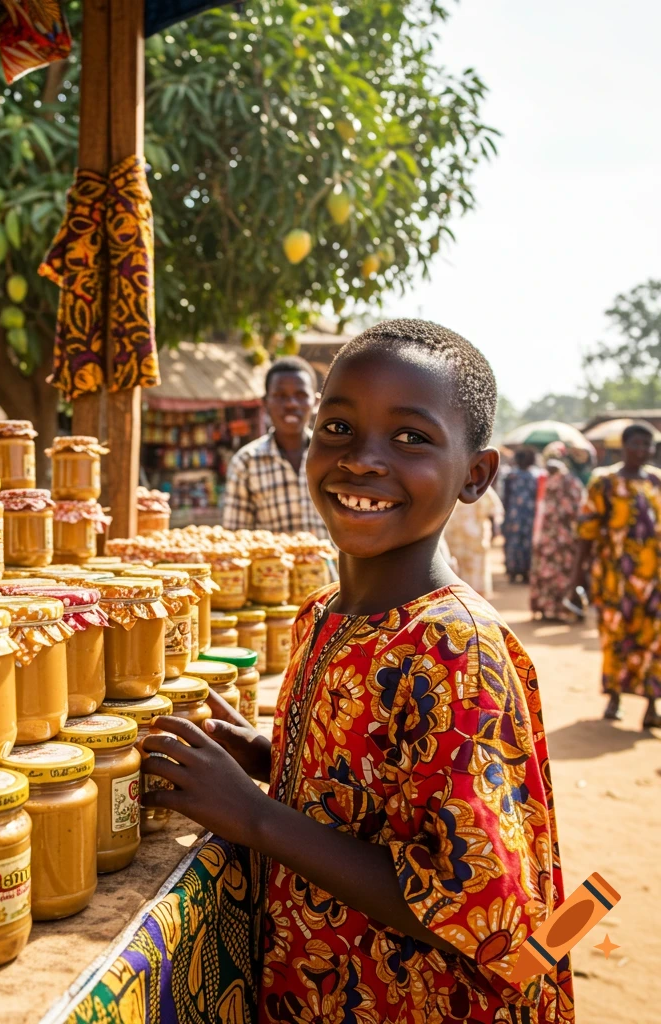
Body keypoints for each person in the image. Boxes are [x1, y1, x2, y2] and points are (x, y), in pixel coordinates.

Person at [143, 319, 573, 1023]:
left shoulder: (454, 650)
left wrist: (256, 815)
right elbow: (378, 796)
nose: (363, 460)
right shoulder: (322, 613)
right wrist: (265, 758)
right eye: (337, 427)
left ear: (476, 475)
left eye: (411, 437)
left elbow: (477, 901)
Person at [575, 422, 661, 729]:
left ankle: (652, 705)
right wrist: (577, 575)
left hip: (654, 579)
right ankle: (614, 698)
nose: (642, 450)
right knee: (615, 636)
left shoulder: (656, 480)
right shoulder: (604, 481)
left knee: (654, 639)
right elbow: (586, 530)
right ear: (623, 447)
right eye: (636, 444)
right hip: (614, 578)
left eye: (647, 445)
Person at [222, 356, 328, 536]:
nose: (291, 404)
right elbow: (236, 537)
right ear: (265, 402)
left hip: (330, 564)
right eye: (280, 396)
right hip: (272, 565)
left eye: (300, 395)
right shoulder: (246, 462)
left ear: (317, 402)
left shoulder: (333, 456)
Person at [529, 454, 585, 621]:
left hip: (553, 536)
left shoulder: (559, 482)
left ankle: (553, 608)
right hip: (560, 536)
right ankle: (557, 609)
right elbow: (576, 510)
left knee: (552, 571)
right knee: (560, 571)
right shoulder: (570, 483)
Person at [442, 480, 504, 597]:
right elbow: (494, 512)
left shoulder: (449, 487)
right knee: (471, 573)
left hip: (461, 538)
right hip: (470, 538)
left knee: (460, 572)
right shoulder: (480, 489)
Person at [502, 448, 539, 582]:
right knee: (526, 543)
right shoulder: (535, 476)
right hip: (528, 515)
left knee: (513, 542)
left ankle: (513, 571)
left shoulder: (511, 475)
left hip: (514, 515)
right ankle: (524, 572)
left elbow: (505, 497)